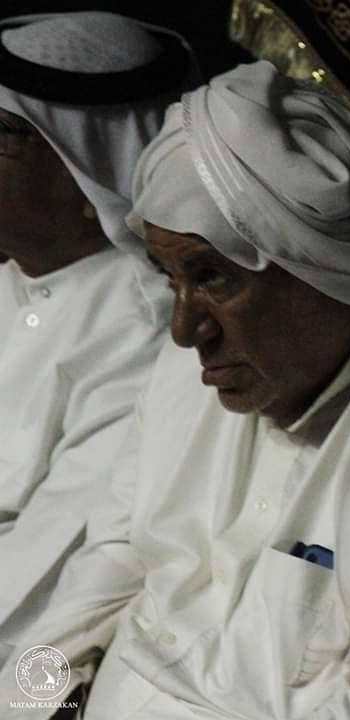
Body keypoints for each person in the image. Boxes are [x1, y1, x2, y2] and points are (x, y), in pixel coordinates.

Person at [0, 61, 350, 718]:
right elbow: (108, 566)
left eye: (213, 277)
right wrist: (26, 702)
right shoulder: (198, 371)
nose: (185, 329)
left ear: (326, 269)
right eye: (170, 278)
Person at [0, 11, 194, 662]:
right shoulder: (11, 280)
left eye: (2, 136)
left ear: (89, 174)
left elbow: (43, 570)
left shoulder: (149, 330)